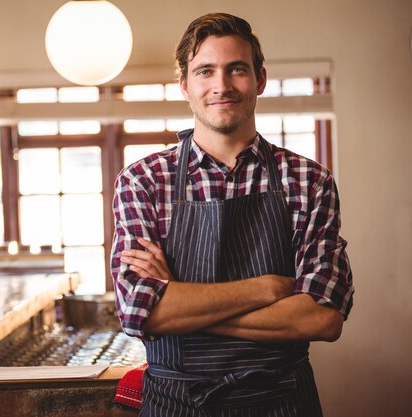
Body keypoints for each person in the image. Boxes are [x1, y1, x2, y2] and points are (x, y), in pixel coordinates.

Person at [110, 12, 354, 416]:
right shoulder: (143, 181)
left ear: (259, 78)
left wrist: (181, 301)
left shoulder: (310, 181)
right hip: (176, 404)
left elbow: (323, 318)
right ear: (185, 85)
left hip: (283, 401)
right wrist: (268, 288)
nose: (221, 85)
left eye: (236, 69)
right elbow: (141, 312)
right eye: (205, 71)